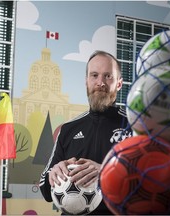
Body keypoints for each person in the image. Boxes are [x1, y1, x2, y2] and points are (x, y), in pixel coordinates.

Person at [39, 50, 132, 214]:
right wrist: (53, 174)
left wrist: (106, 172)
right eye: (94, 75)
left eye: (108, 76)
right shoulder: (68, 129)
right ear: (86, 81)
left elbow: (151, 185)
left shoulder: (136, 127)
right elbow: (45, 189)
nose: (100, 82)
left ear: (119, 83)